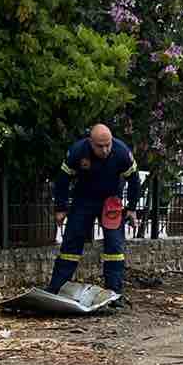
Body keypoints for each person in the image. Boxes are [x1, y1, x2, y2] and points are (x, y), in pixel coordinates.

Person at [49, 123, 140, 297]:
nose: (105, 150)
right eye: (100, 146)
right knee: (71, 244)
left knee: (114, 247)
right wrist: (60, 208)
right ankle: (56, 290)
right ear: (90, 142)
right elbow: (62, 180)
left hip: (111, 202)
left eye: (108, 145)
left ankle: (114, 293)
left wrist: (132, 208)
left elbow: (134, 181)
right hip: (83, 200)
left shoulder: (122, 152)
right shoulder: (77, 151)